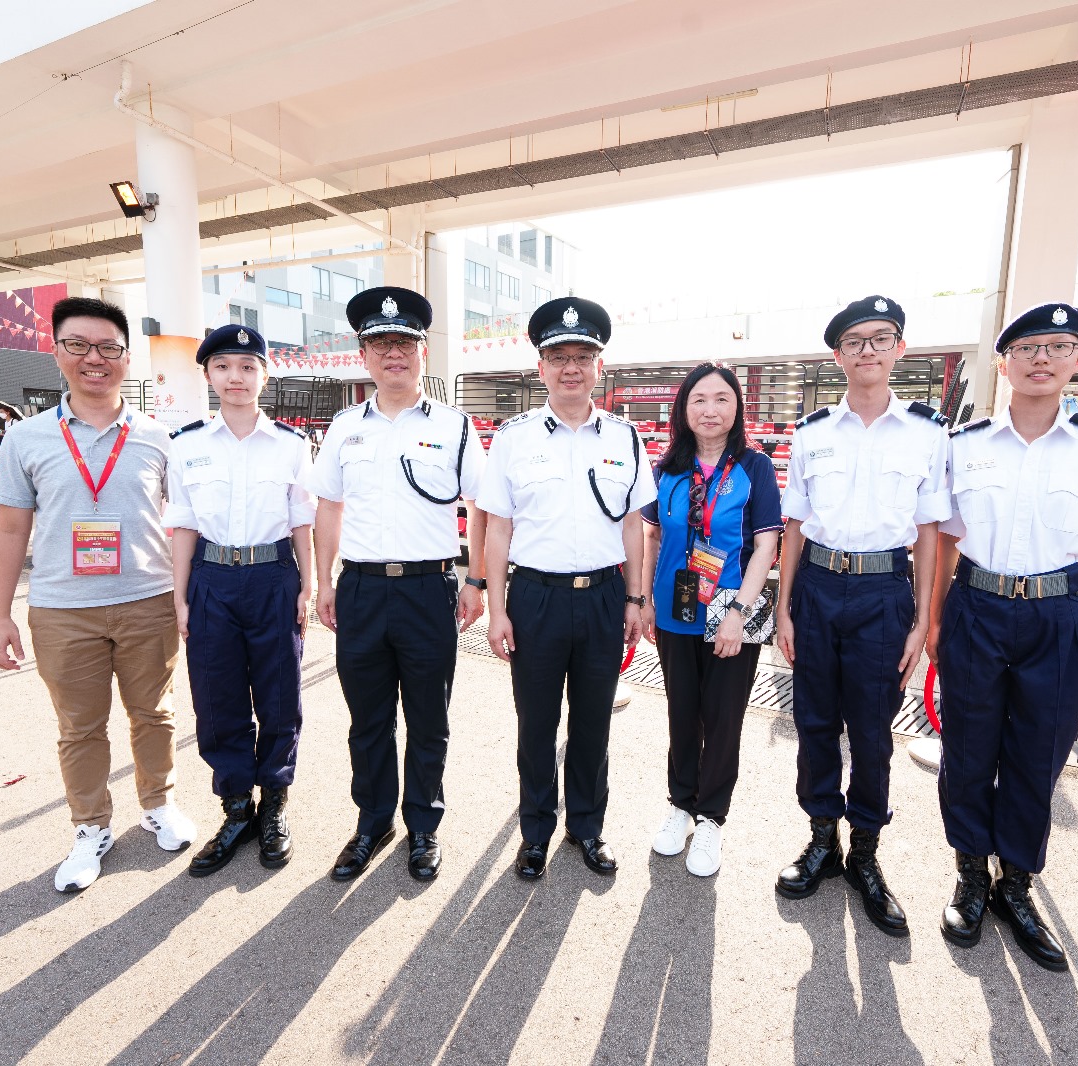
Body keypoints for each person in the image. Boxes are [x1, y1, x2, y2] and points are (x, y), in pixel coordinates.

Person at [927, 302, 1078, 972]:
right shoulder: (965, 445)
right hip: (977, 608)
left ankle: (1016, 884)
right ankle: (970, 874)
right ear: (1005, 361)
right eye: (1027, 348)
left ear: (1077, 360)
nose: (1041, 359)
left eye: (1057, 346)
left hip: (1057, 615)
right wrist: (931, 620)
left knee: (1036, 755)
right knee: (968, 747)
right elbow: (946, 546)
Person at [0, 295, 197, 894]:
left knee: (154, 713)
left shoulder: (160, 437)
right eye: (78, 345)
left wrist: (182, 599)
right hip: (61, 608)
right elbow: (8, 530)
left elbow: (181, 525)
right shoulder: (26, 439)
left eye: (107, 347)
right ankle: (90, 827)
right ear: (56, 353)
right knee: (79, 726)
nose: (93, 358)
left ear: (127, 358)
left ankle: (158, 803)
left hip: (147, 599)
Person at [773, 296, 949, 937]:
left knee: (873, 732)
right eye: (854, 341)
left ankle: (866, 854)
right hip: (818, 589)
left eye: (881, 338)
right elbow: (792, 528)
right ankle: (821, 838)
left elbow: (930, 533)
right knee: (814, 720)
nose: (868, 350)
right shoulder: (812, 432)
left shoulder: (928, 433)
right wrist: (784, 610)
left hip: (884, 593)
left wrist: (923, 621)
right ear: (838, 355)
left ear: (899, 349)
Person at [310, 287, 488, 884]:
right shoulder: (342, 428)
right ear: (364, 355)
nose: (394, 354)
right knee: (368, 718)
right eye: (381, 344)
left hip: (428, 590)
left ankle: (424, 826)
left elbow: (482, 509)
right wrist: (324, 581)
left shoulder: (455, 426)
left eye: (405, 343)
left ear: (421, 354)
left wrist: (475, 580)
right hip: (360, 589)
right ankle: (373, 821)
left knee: (428, 718)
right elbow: (328, 508)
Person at [479, 297, 656, 880]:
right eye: (559, 357)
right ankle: (535, 833)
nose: (571, 368)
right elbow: (498, 529)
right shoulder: (513, 438)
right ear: (541, 368)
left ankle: (587, 827)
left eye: (583, 357)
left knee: (593, 721)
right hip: (535, 598)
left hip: (604, 596)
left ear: (599, 368)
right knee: (536, 722)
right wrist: (496, 610)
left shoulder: (626, 438)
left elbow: (634, 526)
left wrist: (636, 599)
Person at [165, 325, 316, 877]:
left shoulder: (292, 446)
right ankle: (236, 809)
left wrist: (309, 583)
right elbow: (181, 526)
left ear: (264, 376)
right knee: (217, 696)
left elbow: (303, 519)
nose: (236, 377)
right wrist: (181, 596)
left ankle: (274, 805)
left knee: (279, 697)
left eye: (248, 366)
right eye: (224, 366)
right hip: (211, 580)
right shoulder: (186, 446)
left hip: (273, 576)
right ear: (208, 374)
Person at [638, 363, 782, 877]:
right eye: (699, 399)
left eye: (722, 399)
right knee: (683, 713)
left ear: (737, 407)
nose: (710, 409)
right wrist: (646, 601)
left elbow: (766, 542)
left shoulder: (755, 467)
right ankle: (680, 804)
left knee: (723, 720)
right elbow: (651, 538)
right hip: (676, 610)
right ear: (683, 408)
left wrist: (739, 613)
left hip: (730, 613)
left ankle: (712, 818)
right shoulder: (666, 468)